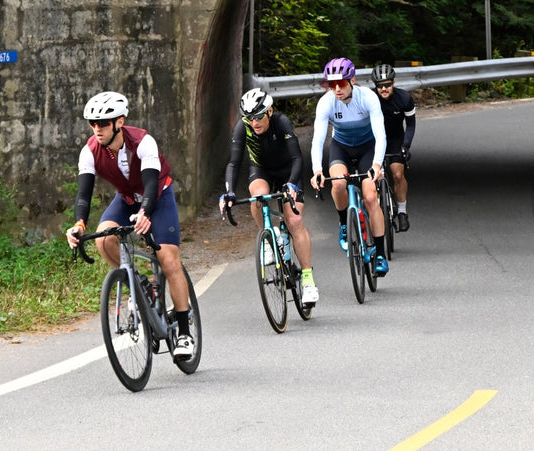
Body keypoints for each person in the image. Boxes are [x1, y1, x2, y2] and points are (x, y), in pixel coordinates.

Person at [65, 91, 196, 360]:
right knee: (103, 239)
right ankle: (140, 284)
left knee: (168, 259)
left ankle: (184, 332)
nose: (96, 129)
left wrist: (146, 211)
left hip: (157, 197)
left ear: (120, 122)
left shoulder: (143, 142)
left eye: (102, 123)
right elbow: (83, 195)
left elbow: (150, 183)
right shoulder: (89, 151)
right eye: (92, 123)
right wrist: (78, 224)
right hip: (125, 200)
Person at [219, 88, 319, 304]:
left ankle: (308, 280)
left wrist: (291, 184)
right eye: (249, 117)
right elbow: (234, 163)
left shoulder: (281, 122)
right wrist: (229, 192)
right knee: (258, 196)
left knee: (294, 221)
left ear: (270, 111)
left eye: (258, 116)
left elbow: (296, 157)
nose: (254, 122)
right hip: (262, 169)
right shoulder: (243, 128)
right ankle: (268, 237)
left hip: (287, 170)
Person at [309, 57, 390, 276]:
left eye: (341, 83)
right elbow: (317, 139)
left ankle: (380, 253)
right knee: (337, 185)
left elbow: (381, 135)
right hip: (341, 147)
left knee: (371, 197)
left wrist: (376, 165)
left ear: (352, 80)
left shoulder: (368, 98)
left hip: (367, 147)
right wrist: (317, 170)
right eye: (331, 84)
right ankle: (344, 224)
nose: (336, 89)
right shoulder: (326, 102)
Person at [371, 63, 416, 232]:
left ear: (393, 83)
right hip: (374, 140)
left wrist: (406, 146)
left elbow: (411, 125)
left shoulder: (404, 98)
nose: (384, 89)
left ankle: (402, 212)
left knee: (397, 174)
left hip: (395, 140)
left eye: (387, 85)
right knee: (374, 176)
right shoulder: (369, 98)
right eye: (380, 86)